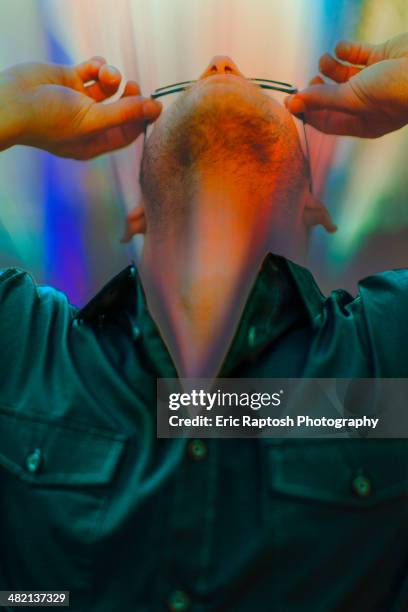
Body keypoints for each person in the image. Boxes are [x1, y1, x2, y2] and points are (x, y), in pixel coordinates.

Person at [0, 33, 408, 611]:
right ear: (135, 216)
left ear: (315, 211)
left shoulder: (389, 357)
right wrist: (7, 108)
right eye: (200, 78)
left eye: (236, 75)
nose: (221, 65)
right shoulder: (23, 350)